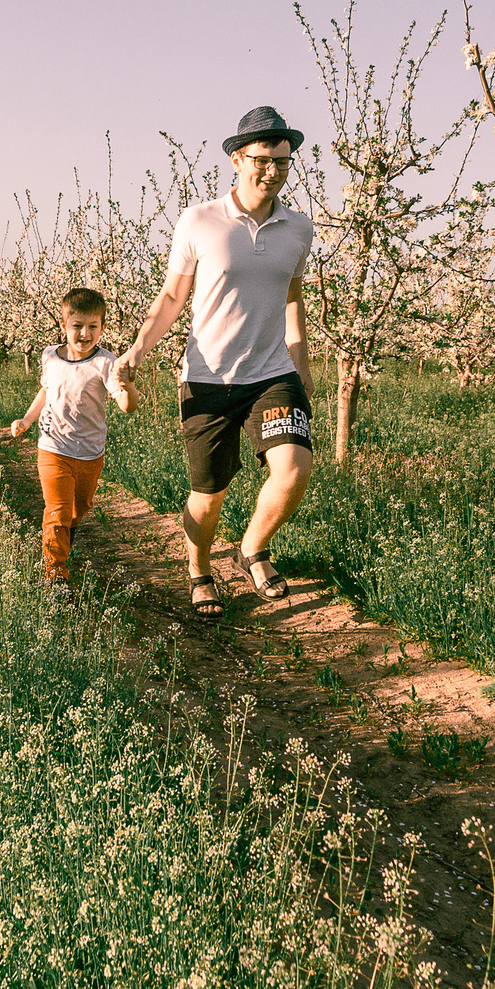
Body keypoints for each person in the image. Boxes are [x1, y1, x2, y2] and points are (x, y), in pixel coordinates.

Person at [115, 105, 314, 621]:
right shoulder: (199, 221)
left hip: (272, 372)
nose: (272, 172)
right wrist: (138, 350)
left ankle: (252, 549)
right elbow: (171, 299)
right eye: (262, 160)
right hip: (208, 378)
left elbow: (291, 298)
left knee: (293, 470)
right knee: (208, 494)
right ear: (235, 159)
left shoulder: (298, 229)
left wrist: (301, 360)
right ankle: (200, 570)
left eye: (283, 163)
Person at [2, 287, 135, 584]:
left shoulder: (106, 363)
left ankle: (62, 535)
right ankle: (55, 574)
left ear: (103, 327)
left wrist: (130, 386)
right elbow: (47, 392)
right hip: (52, 447)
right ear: (64, 325)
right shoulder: (49, 356)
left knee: (80, 507)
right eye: (77, 326)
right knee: (57, 512)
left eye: (93, 327)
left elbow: (126, 406)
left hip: (89, 452)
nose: (84, 334)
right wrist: (26, 419)